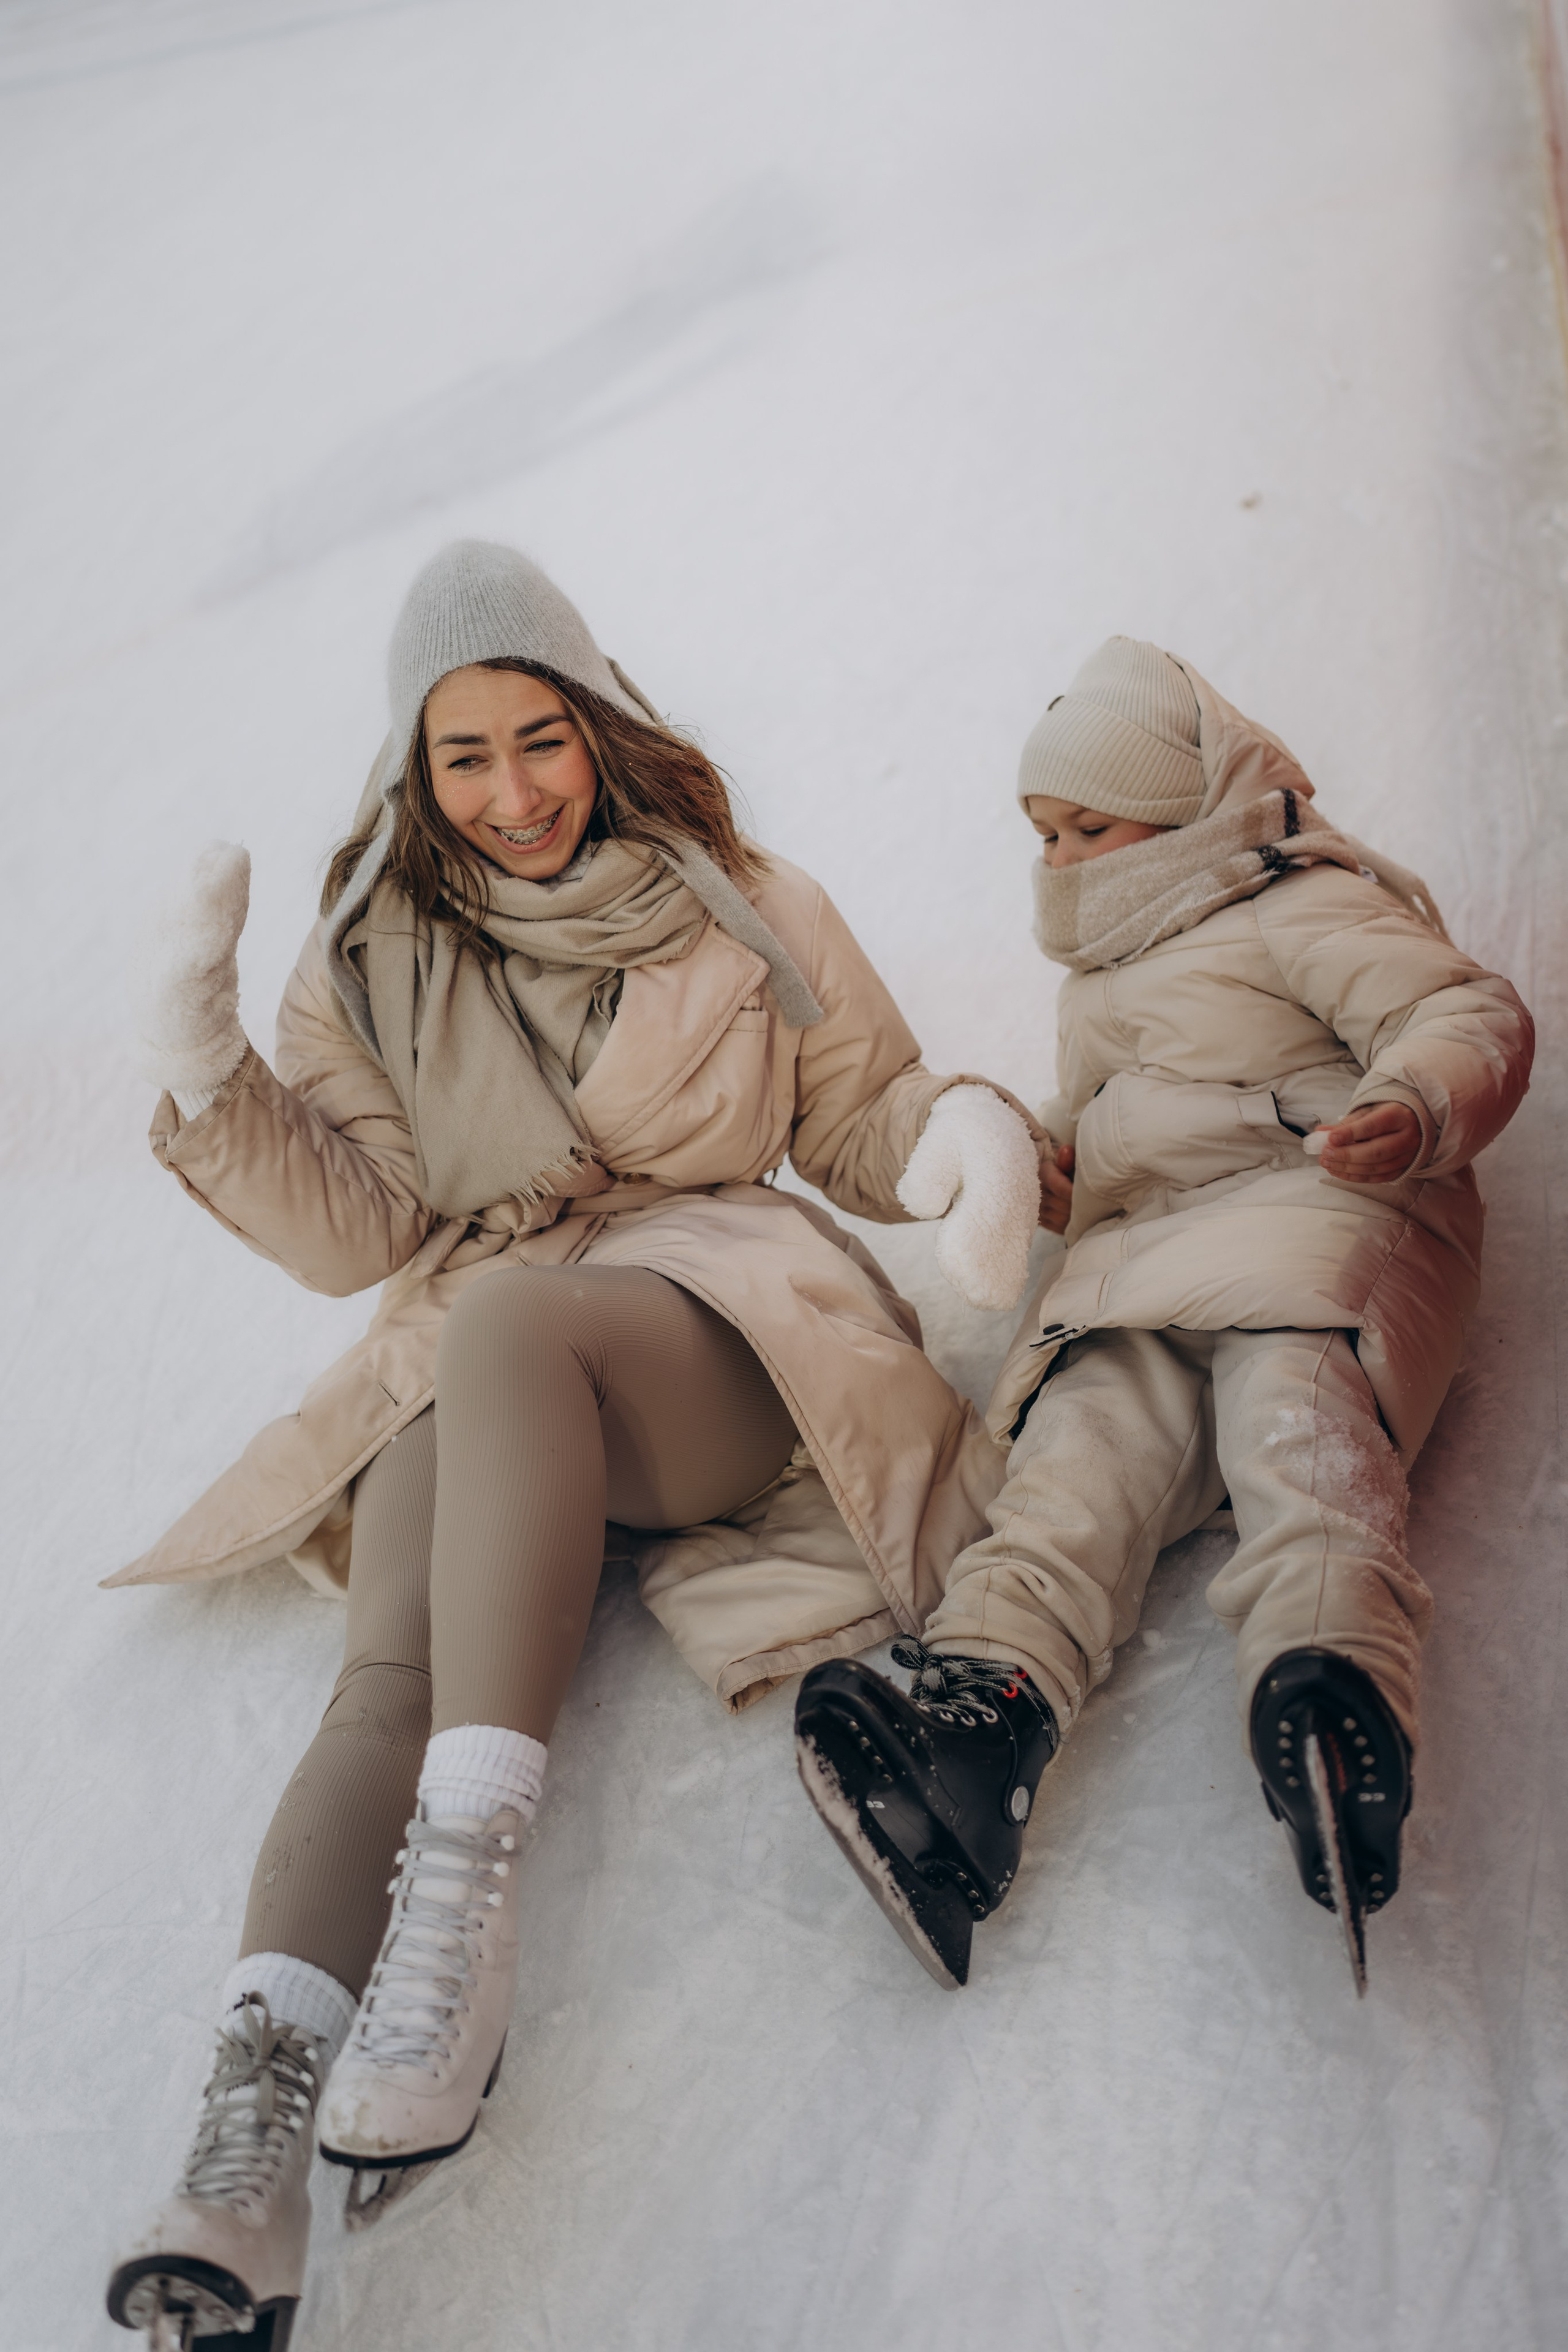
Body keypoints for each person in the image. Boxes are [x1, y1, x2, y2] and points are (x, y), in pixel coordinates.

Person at [105, 541, 1047, 2348]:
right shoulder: (375, 954)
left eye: (542, 736)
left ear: (598, 718)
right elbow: (363, 1232)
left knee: (508, 1320)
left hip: (708, 1322)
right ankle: (243, 2162)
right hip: (476, 1334)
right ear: (417, 764)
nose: (516, 792)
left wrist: (961, 1143)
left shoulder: (743, 902)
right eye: (468, 756)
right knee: (383, 1673)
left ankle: (466, 1921)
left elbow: (859, 1110)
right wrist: (216, 1084)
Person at [794, 635, 1534, 1994]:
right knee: (1070, 1465)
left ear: (1187, 807)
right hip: (1141, 1272)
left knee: (1291, 1422)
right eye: (1043, 835)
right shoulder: (1093, 985)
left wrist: (1415, 1102)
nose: (1063, 859)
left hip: (1313, 1215)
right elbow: (1111, 1133)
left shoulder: (1295, 898)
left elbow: (1456, 1007)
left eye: (1088, 826)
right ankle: (980, 1714)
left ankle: (1329, 1680)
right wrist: (1060, 1167)